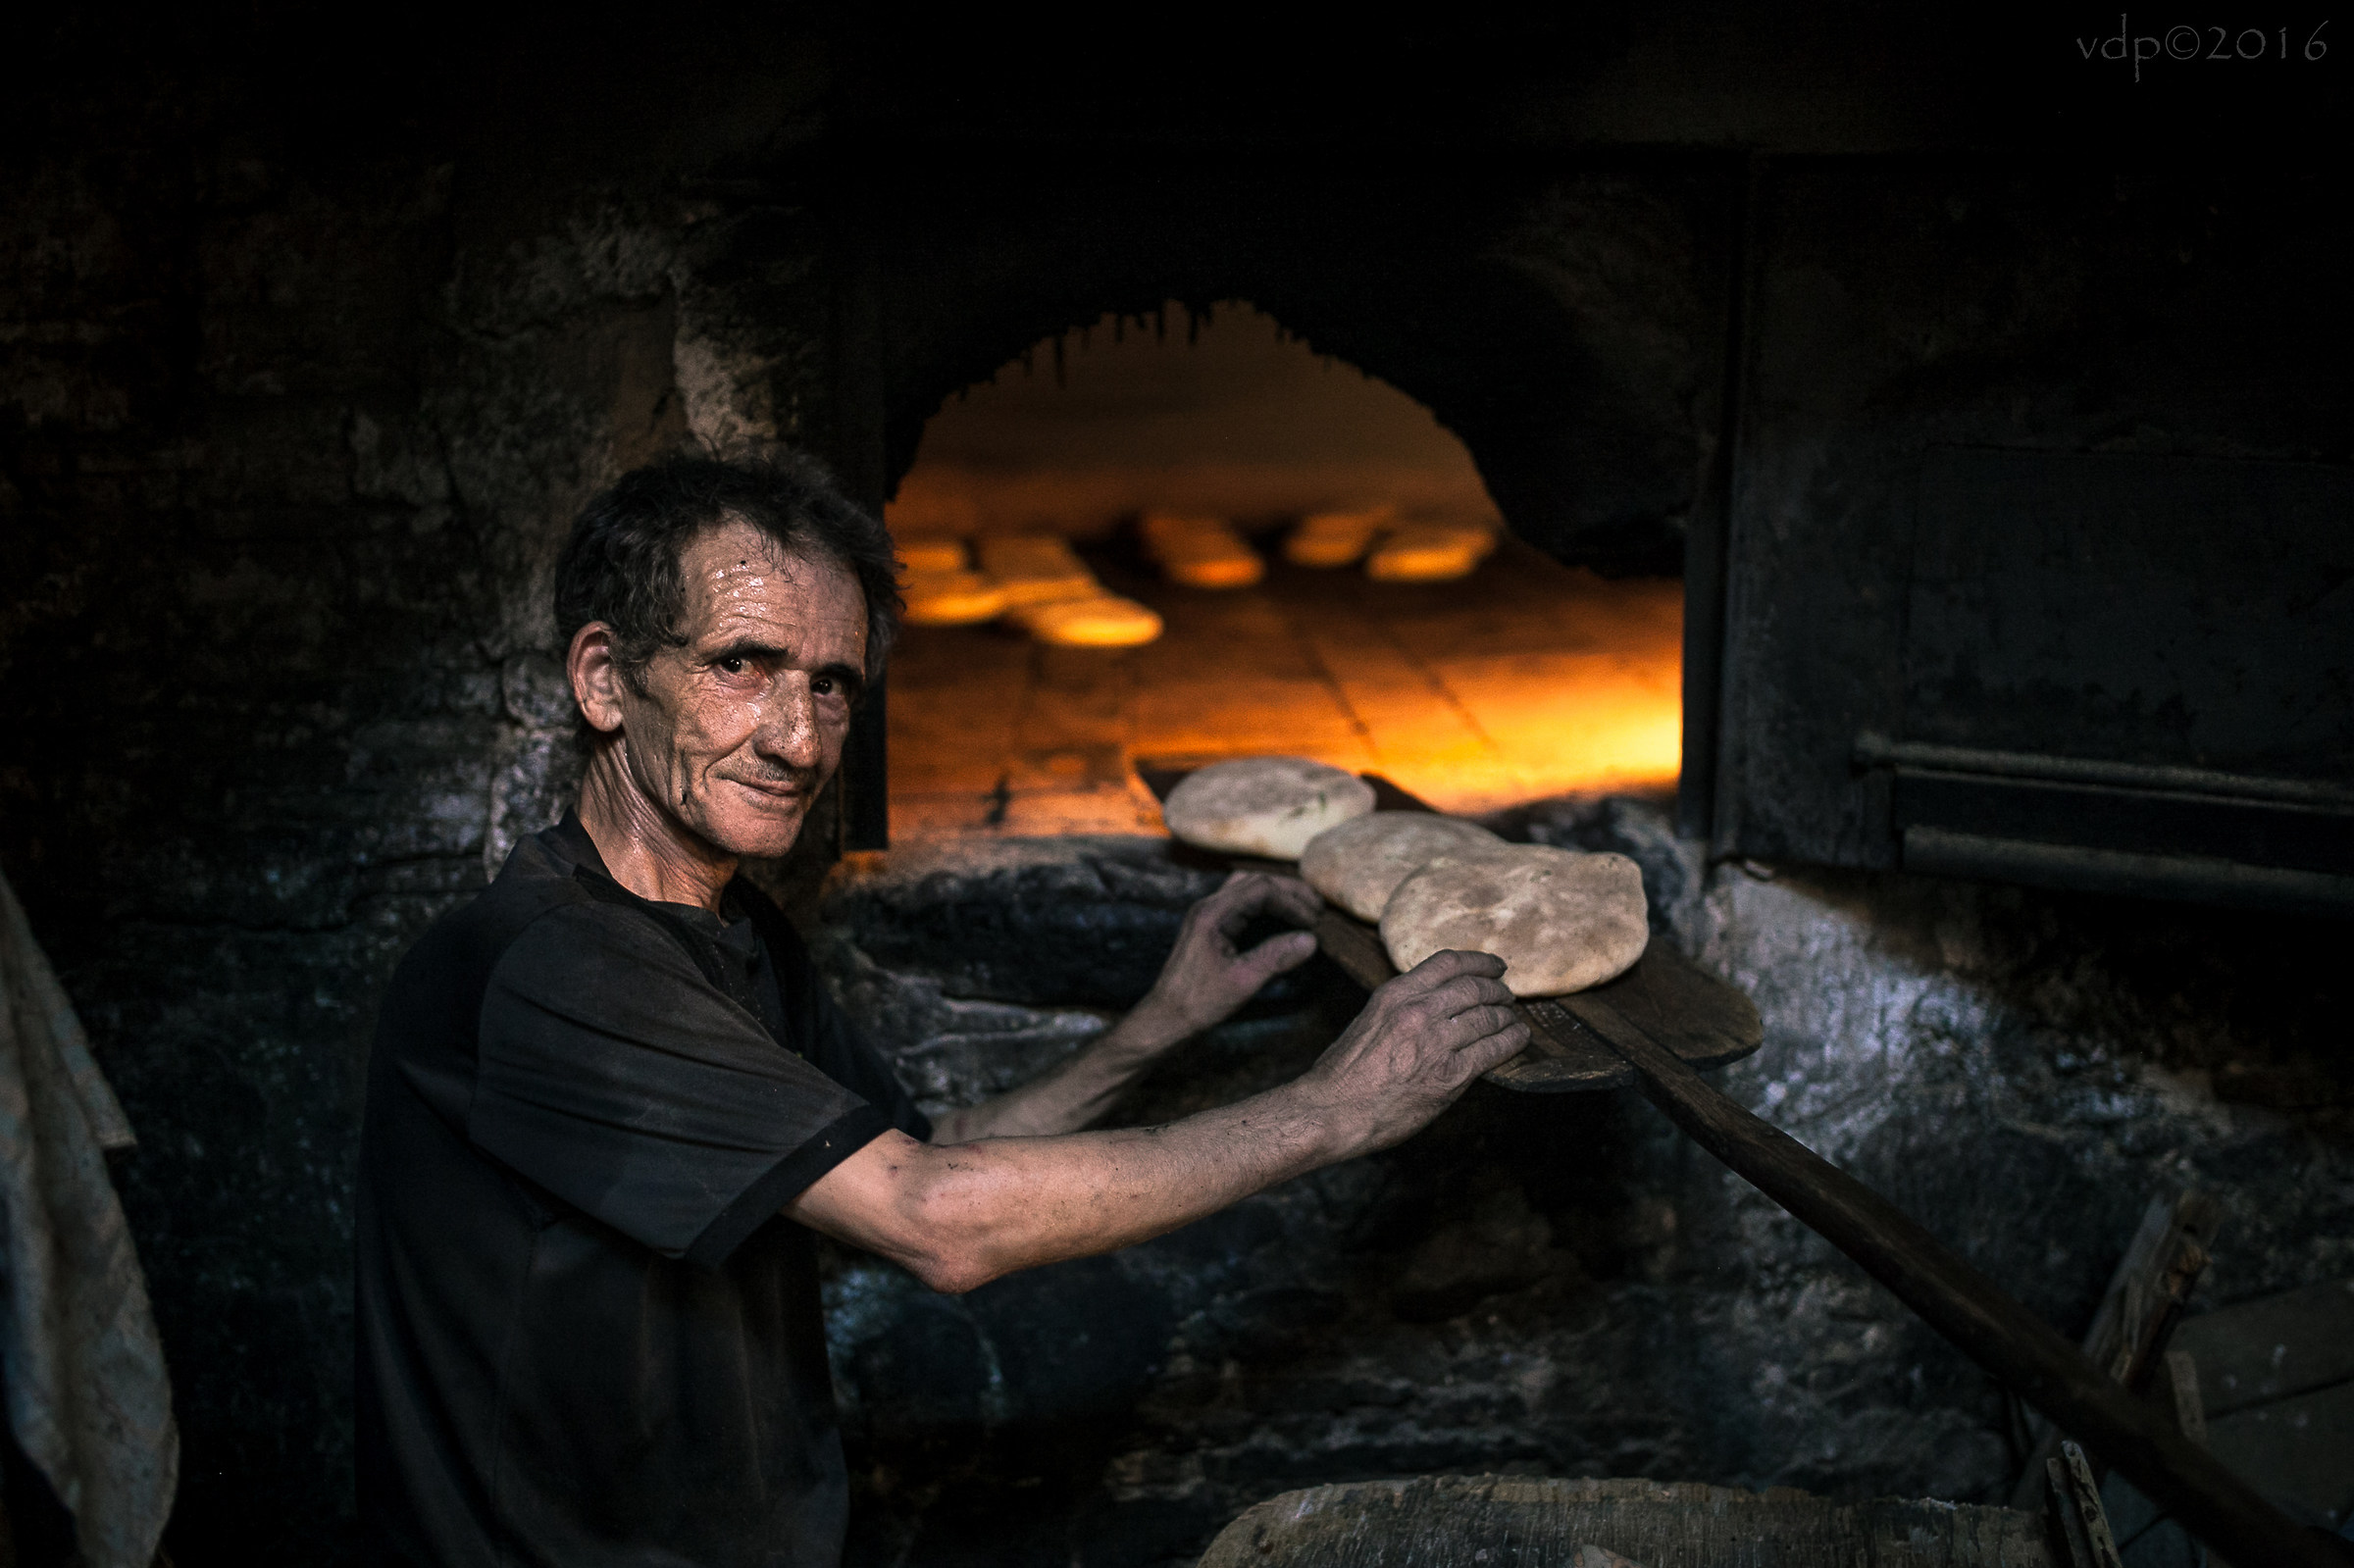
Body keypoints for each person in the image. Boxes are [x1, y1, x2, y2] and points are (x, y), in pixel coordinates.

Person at [354, 453, 1528, 1567]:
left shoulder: (730, 932)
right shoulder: (553, 967)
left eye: (831, 685)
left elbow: (922, 1154)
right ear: (605, 680)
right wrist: (1337, 1107)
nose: (800, 737)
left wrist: (1159, 1025)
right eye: (741, 666)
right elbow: (938, 1219)